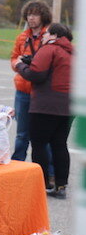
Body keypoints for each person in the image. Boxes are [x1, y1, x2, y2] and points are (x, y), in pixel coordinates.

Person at [15, 23, 73, 198]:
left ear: (53, 35)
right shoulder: (72, 52)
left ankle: (43, 183)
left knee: (39, 144)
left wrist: (20, 66)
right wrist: (31, 61)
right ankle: (61, 184)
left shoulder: (49, 49)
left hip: (45, 105)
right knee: (60, 144)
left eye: (46, 34)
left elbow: (36, 75)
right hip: (68, 105)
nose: (44, 36)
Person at [10, 1, 52, 163]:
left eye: (35, 14)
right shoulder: (22, 37)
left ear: (43, 16)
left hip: (41, 92)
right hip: (22, 90)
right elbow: (14, 58)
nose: (31, 18)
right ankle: (18, 164)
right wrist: (18, 63)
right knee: (21, 134)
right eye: (29, 14)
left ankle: (46, 170)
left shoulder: (49, 35)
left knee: (42, 135)